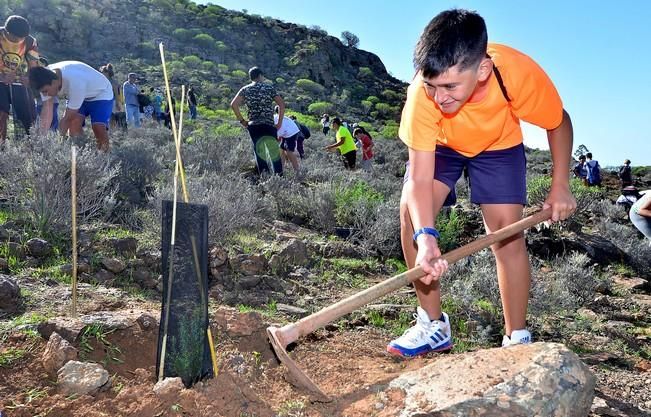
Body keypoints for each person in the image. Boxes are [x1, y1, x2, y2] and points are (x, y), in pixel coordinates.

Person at [388, 9, 576, 357]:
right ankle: (433, 325)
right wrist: (426, 238)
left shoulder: (516, 74)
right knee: (411, 215)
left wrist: (560, 183)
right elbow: (418, 177)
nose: (439, 97)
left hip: (498, 145)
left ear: (483, 69)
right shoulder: (423, 97)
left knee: (506, 234)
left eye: (449, 86)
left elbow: (558, 122)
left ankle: (516, 338)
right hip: (443, 144)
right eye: (431, 85)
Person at [29, 61, 114, 151]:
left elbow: (67, 119)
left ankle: (104, 156)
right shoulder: (44, 77)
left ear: (54, 82)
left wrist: (56, 145)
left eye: (46, 91)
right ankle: (80, 152)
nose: (46, 95)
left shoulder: (75, 82)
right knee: (74, 123)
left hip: (101, 93)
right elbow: (47, 112)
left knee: (98, 127)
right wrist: (40, 141)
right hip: (80, 93)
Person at [231, 66, 284, 176]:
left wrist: (242, 121)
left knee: (260, 154)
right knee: (274, 153)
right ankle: (279, 179)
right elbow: (281, 105)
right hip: (269, 124)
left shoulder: (245, 89)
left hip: (254, 125)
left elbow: (234, 104)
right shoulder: (269, 88)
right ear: (260, 75)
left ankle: (265, 179)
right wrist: (279, 123)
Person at [0, 15, 40, 145]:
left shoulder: (30, 41)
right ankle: (2, 148)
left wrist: (29, 77)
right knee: (2, 115)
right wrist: (3, 77)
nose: (19, 40)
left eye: (22, 38)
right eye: (16, 38)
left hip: (19, 82)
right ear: (6, 32)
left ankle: (30, 148)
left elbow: (33, 65)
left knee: (28, 118)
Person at [274, 107, 301, 173]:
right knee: (282, 150)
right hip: (286, 134)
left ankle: (297, 170)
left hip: (291, 133)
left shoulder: (275, 118)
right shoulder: (275, 117)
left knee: (289, 152)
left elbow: (279, 131)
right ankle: (281, 169)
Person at [99, 63, 125, 130]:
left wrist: (117, 103)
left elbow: (116, 93)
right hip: (106, 102)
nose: (101, 74)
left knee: (114, 118)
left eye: (102, 72)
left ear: (106, 72)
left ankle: (116, 132)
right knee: (109, 118)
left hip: (113, 102)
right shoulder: (104, 81)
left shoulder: (112, 81)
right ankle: (111, 132)